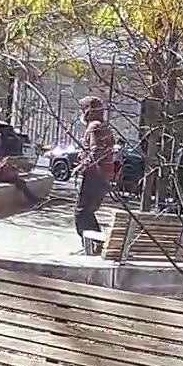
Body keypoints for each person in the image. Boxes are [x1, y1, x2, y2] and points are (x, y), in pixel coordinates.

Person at [73, 96, 115, 254]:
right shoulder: (104, 126)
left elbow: (96, 151)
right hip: (103, 176)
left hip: (94, 176)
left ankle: (92, 246)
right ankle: (95, 245)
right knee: (88, 211)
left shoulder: (94, 127)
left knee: (81, 212)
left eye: (83, 109)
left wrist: (83, 165)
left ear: (88, 111)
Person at [0, 132, 41, 206]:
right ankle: (33, 200)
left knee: (19, 180)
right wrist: (4, 163)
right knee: (20, 182)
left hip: (0, 172)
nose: (0, 141)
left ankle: (33, 199)